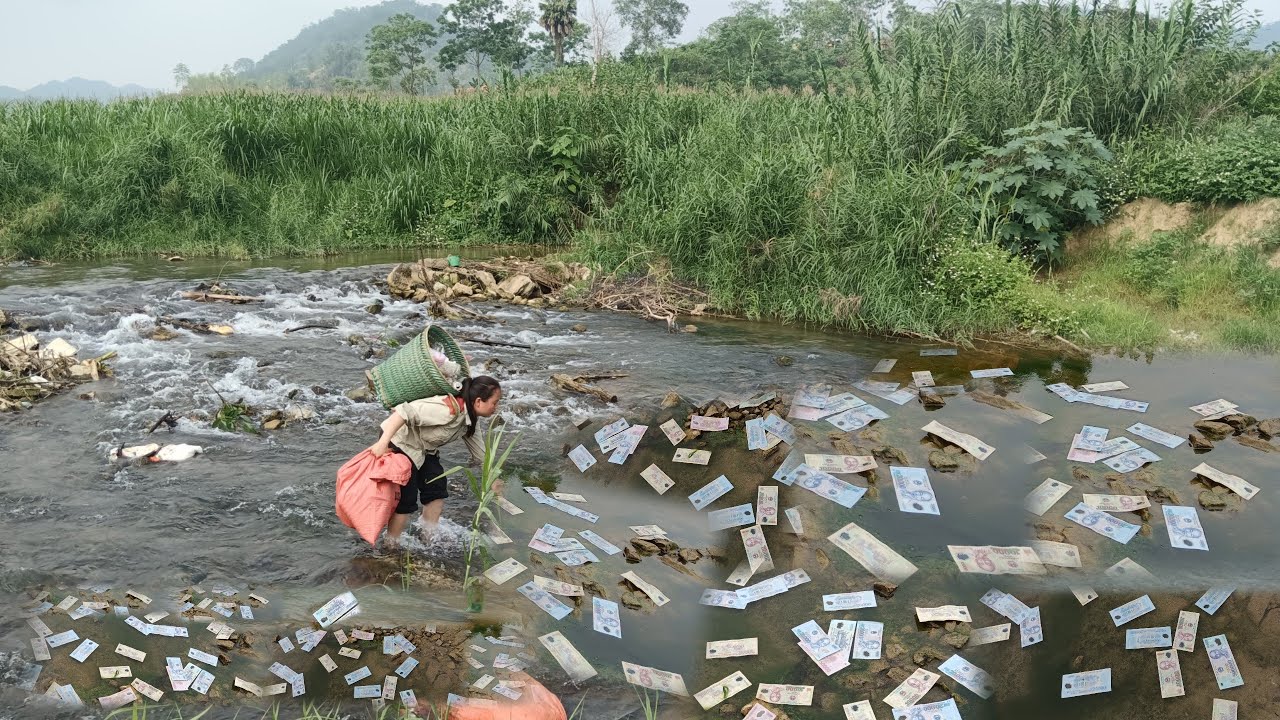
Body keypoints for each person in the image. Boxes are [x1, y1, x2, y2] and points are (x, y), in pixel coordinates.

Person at [367, 375, 502, 546]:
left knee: (436, 489)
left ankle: (428, 539)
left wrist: (494, 479)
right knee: (406, 500)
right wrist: (382, 444)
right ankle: (390, 546)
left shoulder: (470, 422)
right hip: (400, 442)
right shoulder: (447, 409)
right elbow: (402, 412)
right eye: (495, 402)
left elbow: (481, 455)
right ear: (478, 402)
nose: (496, 408)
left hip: (424, 449)